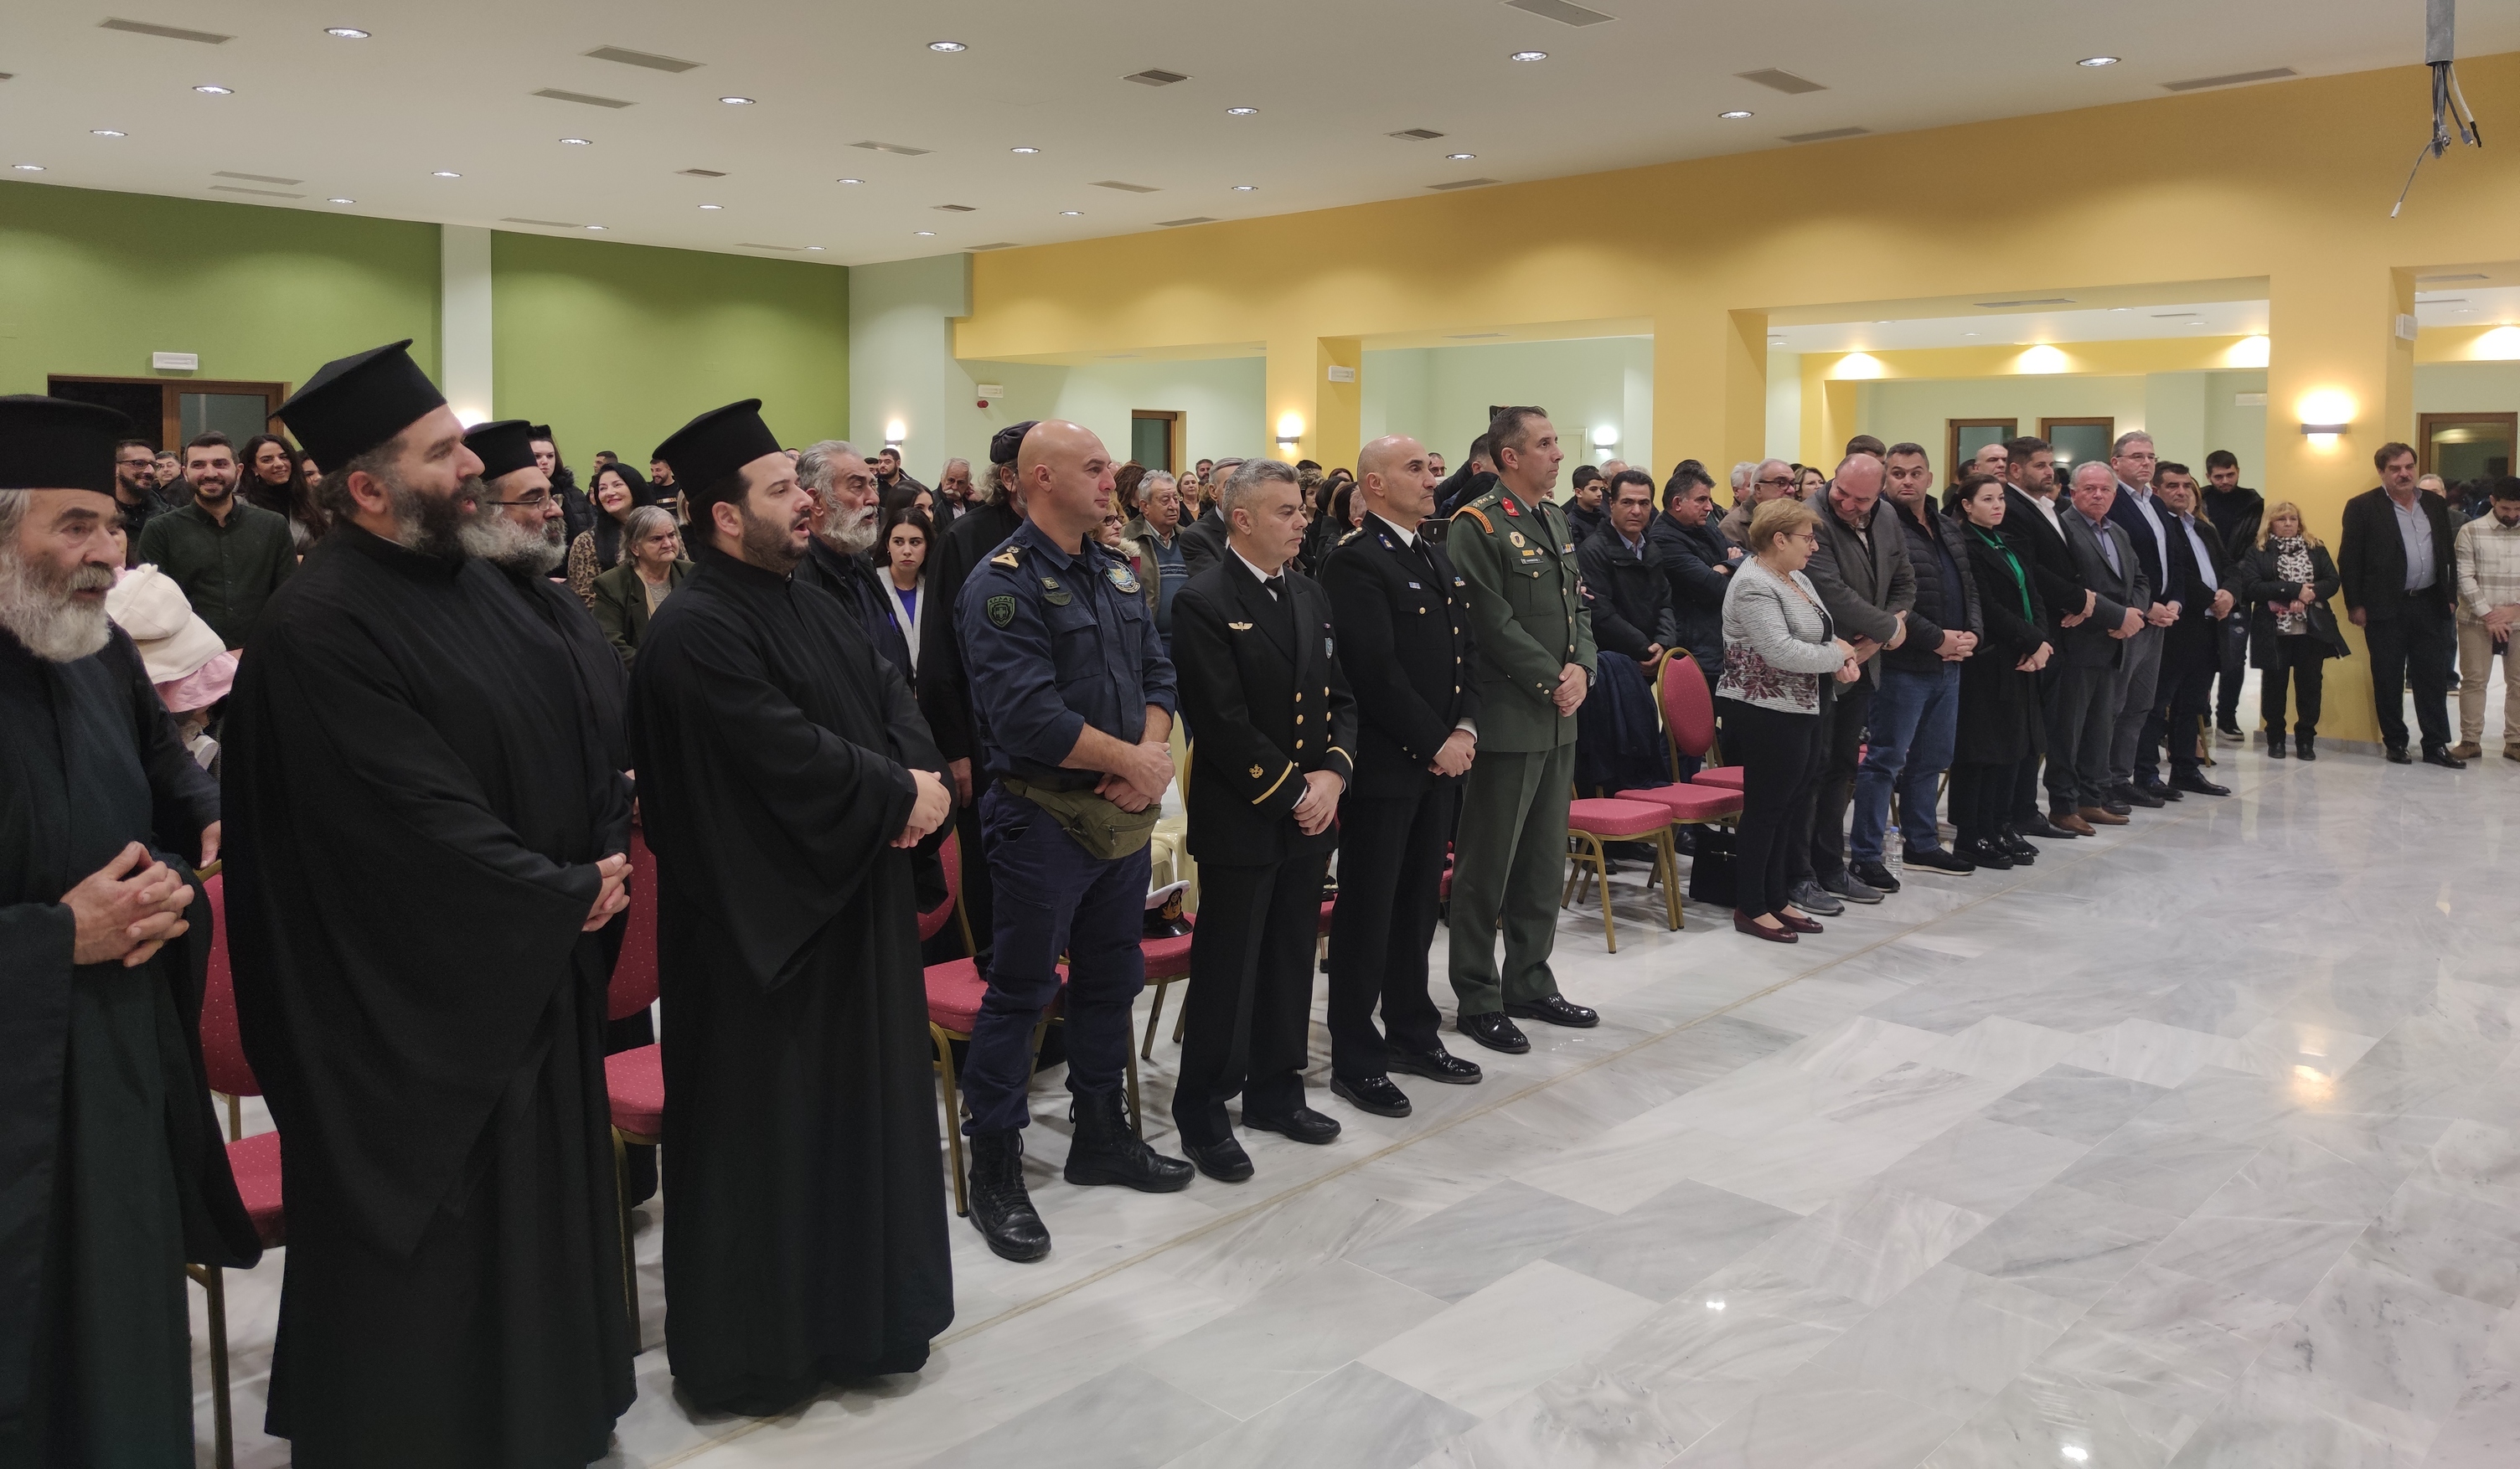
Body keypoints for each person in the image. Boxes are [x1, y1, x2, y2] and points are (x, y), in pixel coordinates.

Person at [225, 342, 636, 1466]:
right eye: (444, 450)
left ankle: (545, 1418)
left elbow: (581, 728)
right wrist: (562, 889)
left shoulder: (480, 585)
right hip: (406, 1019)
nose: (471, 467)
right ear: (366, 487)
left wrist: (600, 850)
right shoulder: (318, 627)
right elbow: (402, 821)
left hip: (530, 973)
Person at [626, 399, 954, 1412]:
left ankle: (866, 1325)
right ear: (726, 516)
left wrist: (920, 782)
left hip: (852, 914)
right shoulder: (694, 630)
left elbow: (889, 696)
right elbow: (778, 752)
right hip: (761, 944)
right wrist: (896, 795)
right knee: (769, 1151)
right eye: (781, 490)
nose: (805, 501)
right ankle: (762, 1355)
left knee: (861, 1134)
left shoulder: (810, 599)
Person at [0, 395, 257, 1466]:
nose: (108, 552)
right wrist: (53, 937)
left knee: (123, 1326)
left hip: (119, 1050)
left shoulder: (99, 647)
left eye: (112, 523)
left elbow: (165, 767)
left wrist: (207, 829)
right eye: (74, 526)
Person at [956, 420, 1191, 1261]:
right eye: (1093, 468)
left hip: (1120, 814)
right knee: (1021, 991)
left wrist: (1147, 762)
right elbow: (1027, 715)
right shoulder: (1001, 583)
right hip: (1043, 818)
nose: (1109, 481)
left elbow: (1158, 671)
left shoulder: (1117, 568)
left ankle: (1100, 1133)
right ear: (1040, 479)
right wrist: (1133, 761)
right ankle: (995, 1164)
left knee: (1109, 977)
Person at [1168, 459, 1357, 1181]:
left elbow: (1341, 697)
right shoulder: (1204, 599)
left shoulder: (1308, 590)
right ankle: (1203, 1109)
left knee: (1289, 958)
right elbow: (1220, 721)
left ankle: (1277, 1091)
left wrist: (1333, 776)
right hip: (1248, 814)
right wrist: (1295, 792)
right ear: (1241, 519)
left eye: (1303, 509)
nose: (1302, 521)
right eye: (1286, 511)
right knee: (1229, 970)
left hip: (1310, 813)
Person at [1319, 435, 1484, 1120]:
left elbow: (1463, 653)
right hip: (1387, 768)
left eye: (1431, 467)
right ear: (1375, 485)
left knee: (1417, 906)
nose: (1431, 479)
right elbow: (1373, 673)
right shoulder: (1354, 561)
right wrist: (1435, 742)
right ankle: (1357, 1056)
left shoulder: (1431, 552)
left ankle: (1413, 1033)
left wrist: (1466, 729)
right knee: (1369, 912)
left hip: (1441, 763)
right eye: (1415, 469)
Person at [1445, 406, 1601, 1054]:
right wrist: (1551, 679)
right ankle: (1478, 995)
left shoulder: (1555, 519)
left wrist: (1583, 668)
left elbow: (1577, 607)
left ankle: (1530, 981)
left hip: (1558, 719)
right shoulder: (1477, 525)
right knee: (1488, 867)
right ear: (1510, 457)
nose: (1558, 454)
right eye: (1545, 444)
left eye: (1557, 443)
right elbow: (1490, 622)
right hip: (1509, 719)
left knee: (1540, 862)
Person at [1717, 498, 1862, 942]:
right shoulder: (1753, 583)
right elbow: (1779, 650)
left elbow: (1819, 634)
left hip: (1803, 704)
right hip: (1764, 709)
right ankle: (1751, 906)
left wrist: (1842, 658)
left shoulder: (1795, 576)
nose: (1814, 547)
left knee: (1791, 805)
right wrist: (1837, 656)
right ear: (1779, 539)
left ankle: (1777, 898)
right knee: (1767, 808)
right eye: (1807, 538)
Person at [1849, 444, 1980, 890]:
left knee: (1932, 760)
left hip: (1949, 663)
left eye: (1916, 472)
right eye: (1898, 473)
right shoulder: (1881, 527)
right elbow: (1891, 601)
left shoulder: (1946, 526)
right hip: (1902, 663)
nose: (1908, 480)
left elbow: (1968, 587)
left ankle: (1922, 843)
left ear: (1930, 478)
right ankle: (1867, 854)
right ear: (1885, 479)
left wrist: (1971, 634)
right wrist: (1938, 639)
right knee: (1886, 760)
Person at [1794, 453, 1913, 912]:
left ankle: (1830, 866)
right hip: (1820, 664)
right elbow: (1830, 592)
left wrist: (1880, 637)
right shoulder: (1812, 517)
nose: (1846, 504)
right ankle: (1801, 873)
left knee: (1842, 767)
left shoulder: (1886, 517)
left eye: (1861, 499)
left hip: (1862, 663)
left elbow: (1905, 582)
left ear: (1878, 494)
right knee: (1813, 770)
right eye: (1841, 492)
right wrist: (1889, 632)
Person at [1948, 474, 2052, 869]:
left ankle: (1999, 824)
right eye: (1987, 499)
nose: (1997, 506)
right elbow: (1987, 606)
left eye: (2001, 498)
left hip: (2020, 655)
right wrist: (2030, 639)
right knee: (1982, 750)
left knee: (2013, 747)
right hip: (1989, 658)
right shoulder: (1966, 545)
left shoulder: (2007, 542)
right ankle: (1971, 832)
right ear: (1966, 505)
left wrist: (2040, 640)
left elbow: (2033, 594)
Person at [2340, 441, 2463, 766]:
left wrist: (2450, 596)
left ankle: (2435, 745)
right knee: (2388, 677)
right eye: (2395, 469)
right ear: (2381, 472)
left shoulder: (2434, 504)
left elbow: (2446, 554)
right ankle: (2395, 742)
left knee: (2432, 677)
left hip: (2430, 603)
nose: (2404, 474)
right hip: (2385, 607)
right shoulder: (2362, 507)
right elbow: (2349, 560)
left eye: (2409, 467)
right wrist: (2355, 604)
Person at [2048, 462, 2151, 832]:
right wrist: (2116, 616)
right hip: (2077, 644)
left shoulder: (2117, 532)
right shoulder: (2062, 528)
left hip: (2113, 645)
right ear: (2073, 492)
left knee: (2099, 729)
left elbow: (2139, 579)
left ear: (2114, 494)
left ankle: (2091, 800)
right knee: (2068, 731)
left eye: (2105, 489)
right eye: (2089, 489)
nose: (2097, 495)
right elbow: (2071, 586)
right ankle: (2063, 805)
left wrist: (2132, 614)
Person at [1999, 437, 2090, 843]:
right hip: (2036, 629)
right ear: (2015, 470)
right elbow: (2030, 570)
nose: (2049, 471)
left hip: (2057, 627)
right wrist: (2079, 600)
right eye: (2039, 465)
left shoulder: (2046, 506)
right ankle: (2019, 810)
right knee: (2030, 727)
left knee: (2044, 725)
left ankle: (2028, 808)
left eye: (2050, 464)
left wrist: (2081, 600)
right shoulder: (2012, 507)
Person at [133, 431, 297, 651]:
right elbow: (152, 608)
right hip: (188, 658)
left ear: (238, 471)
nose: (210, 473)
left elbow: (288, 599)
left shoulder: (273, 526)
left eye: (220, 464)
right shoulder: (160, 530)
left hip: (261, 655)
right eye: (199, 465)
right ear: (185, 473)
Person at [2143, 464, 2237, 796]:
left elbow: (2230, 567)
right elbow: (2177, 574)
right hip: (2176, 627)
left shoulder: (2202, 528)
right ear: (2156, 490)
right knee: (2158, 704)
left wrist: (2230, 593)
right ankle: (2146, 774)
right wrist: (2212, 599)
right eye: (2173, 486)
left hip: (2209, 627)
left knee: (2193, 703)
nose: (2181, 492)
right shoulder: (2160, 527)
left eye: (2186, 485)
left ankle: (2185, 770)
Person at [2101, 433, 2182, 806]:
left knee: (2140, 704)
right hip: (2129, 615)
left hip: (2160, 618)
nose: (2146, 463)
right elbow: (2114, 567)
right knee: (2114, 705)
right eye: (2137, 456)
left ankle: (2122, 776)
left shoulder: (2156, 503)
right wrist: (2147, 606)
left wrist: (2175, 601)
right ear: (2116, 462)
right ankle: (2101, 781)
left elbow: (2172, 558)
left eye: (2151, 456)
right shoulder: (2111, 501)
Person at [793, 440, 916, 683]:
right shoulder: (797, 578)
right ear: (816, 502)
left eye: (872, 484)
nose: (874, 499)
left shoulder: (859, 558)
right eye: (858, 487)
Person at [2239, 501, 2347, 760]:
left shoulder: (2315, 547)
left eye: (2293, 518)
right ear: (2270, 523)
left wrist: (2308, 595)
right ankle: (2275, 738)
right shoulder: (2258, 551)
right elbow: (2252, 587)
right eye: (2281, 519)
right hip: (2273, 629)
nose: (2288, 523)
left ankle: (2306, 739)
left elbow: (2332, 581)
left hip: (2311, 630)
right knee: (2274, 687)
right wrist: (2292, 591)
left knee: (2310, 686)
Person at [1649, 460, 1739, 687]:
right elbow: (1716, 587)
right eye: (1702, 500)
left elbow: (1750, 559)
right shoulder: (1663, 538)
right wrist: (1731, 564)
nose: (1709, 507)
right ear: (1677, 503)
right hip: (1694, 649)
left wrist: (1726, 566)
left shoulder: (1705, 528)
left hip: (1718, 643)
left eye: (1709, 500)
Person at [2450, 477, 2520, 761]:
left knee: (2519, 682)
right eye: (2506, 508)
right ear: (2493, 501)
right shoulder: (2471, 531)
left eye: (2518, 509)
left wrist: (2515, 610)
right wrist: (2490, 615)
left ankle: (2515, 741)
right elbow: (2463, 578)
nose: (2512, 515)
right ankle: (2470, 741)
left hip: (2518, 621)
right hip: (2476, 621)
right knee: (2474, 680)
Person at [2199, 450, 2263, 740]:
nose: (2225, 481)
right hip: (2203, 586)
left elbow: (2256, 548)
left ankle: (2227, 717)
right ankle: (2201, 715)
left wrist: (2233, 582)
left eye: (2230, 475)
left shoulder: (2254, 504)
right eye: (2219, 476)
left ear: (2238, 471)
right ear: (2208, 475)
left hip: (2239, 588)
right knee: (2202, 656)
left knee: (2234, 657)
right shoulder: (2199, 500)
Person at [590, 504, 689, 668]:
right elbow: (610, 642)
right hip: (643, 673)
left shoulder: (692, 574)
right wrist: (658, 668)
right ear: (635, 548)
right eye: (656, 539)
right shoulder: (612, 584)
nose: (667, 544)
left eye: (671, 535)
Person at [1123, 469, 1190, 652]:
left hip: (1189, 640)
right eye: (1165, 500)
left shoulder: (1189, 539)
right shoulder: (1125, 540)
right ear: (1145, 506)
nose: (1173, 506)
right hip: (1146, 643)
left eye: (1176, 499)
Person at [566, 461, 645, 606]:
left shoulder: (663, 528)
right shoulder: (587, 542)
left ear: (635, 487)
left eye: (617, 485)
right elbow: (586, 600)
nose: (609, 492)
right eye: (602, 488)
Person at [240, 430, 323, 549]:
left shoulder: (308, 500)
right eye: (267, 460)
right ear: (254, 468)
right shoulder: (242, 507)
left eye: (284, 457)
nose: (279, 464)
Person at [877, 506, 931, 682]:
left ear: (927, 546)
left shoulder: (935, 587)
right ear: (888, 545)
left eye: (915, 542)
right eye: (898, 542)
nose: (907, 550)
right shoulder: (873, 585)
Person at [111, 436, 173, 556]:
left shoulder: (167, 516)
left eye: (154, 465)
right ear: (116, 468)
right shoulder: (98, 517)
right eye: (139, 464)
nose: (150, 471)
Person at [1178, 455, 1240, 575]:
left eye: (1246, 485)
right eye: (1230, 485)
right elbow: (1217, 580)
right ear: (1213, 492)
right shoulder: (1195, 536)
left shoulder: (1263, 527)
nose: (1240, 491)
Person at [1721, 458, 1799, 544]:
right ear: (1758, 489)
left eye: (1792, 483)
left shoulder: (1797, 520)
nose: (1791, 490)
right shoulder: (1732, 527)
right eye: (1781, 483)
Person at [1565, 463, 1608, 544]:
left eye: (1601, 489)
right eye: (1593, 489)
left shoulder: (1604, 518)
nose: (1600, 494)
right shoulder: (1570, 524)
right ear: (1578, 492)